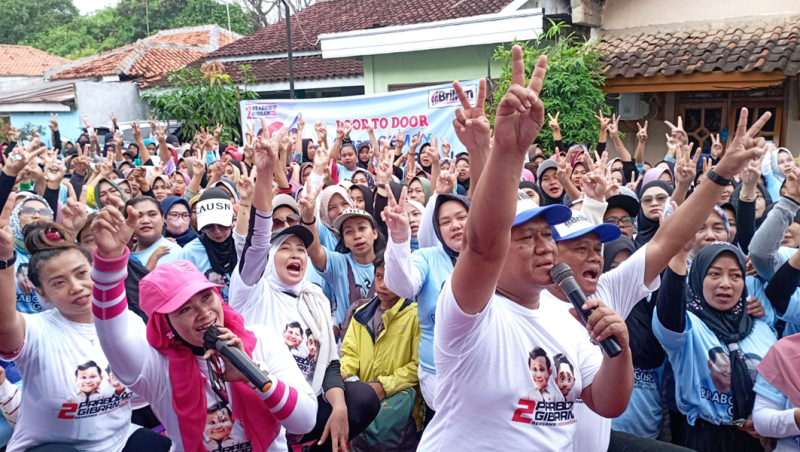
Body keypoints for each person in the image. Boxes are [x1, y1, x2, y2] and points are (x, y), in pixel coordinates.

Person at [418, 47, 634, 451]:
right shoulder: (468, 312)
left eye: (549, 236)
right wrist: (508, 150)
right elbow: (482, 244)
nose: (544, 247)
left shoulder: (569, 317)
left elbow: (606, 403)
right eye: (526, 237)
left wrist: (618, 353)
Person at [89, 202, 318, 452]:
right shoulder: (155, 365)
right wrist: (110, 265)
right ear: (164, 322)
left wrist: (252, 374)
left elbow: (304, 421)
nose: (204, 313)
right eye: (184, 309)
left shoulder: (261, 339)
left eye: (207, 297)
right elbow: (112, 335)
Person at [228, 124, 380, 451]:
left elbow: (329, 363)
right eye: (284, 248)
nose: (296, 253)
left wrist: (338, 407)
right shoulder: (251, 291)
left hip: (307, 404)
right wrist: (267, 175)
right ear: (269, 258)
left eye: (301, 248)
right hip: (261, 403)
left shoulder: (313, 298)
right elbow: (255, 245)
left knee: (362, 398)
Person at [0, 220, 169, 452]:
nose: (76, 286)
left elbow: (151, 390)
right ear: (42, 293)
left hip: (119, 441)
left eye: (81, 273)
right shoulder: (33, 330)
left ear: (94, 271)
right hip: (48, 447)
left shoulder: (129, 321)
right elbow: (4, 324)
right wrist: (4, 259)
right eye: (58, 282)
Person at [654, 242, 776, 451]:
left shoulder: (761, 327)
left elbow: (776, 386)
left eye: (735, 276)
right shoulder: (688, 325)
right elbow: (668, 314)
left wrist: (767, 418)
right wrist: (678, 257)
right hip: (704, 438)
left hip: (756, 439)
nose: (726, 283)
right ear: (699, 277)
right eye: (715, 274)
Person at [341, 250, 422, 450]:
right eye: (379, 276)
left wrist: (384, 386)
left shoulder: (415, 316)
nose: (383, 284)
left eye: (390, 277)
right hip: (365, 406)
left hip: (401, 414)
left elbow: (418, 365)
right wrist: (344, 373)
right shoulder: (361, 315)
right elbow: (350, 353)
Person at [178, 188, 238, 302]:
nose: (217, 231)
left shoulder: (242, 246)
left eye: (222, 224)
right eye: (209, 226)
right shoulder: (190, 252)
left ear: (231, 221)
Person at [10, 192, 53, 314]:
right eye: (28, 211)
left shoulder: (63, 251)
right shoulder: (4, 251)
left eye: (44, 212)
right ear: (15, 217)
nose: (37, 215)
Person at [126, 197, 182, 268]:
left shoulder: (173, 251)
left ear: (163, 219)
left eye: (152, 215)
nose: (146, 221)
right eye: (138, 216)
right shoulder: (123, 253)